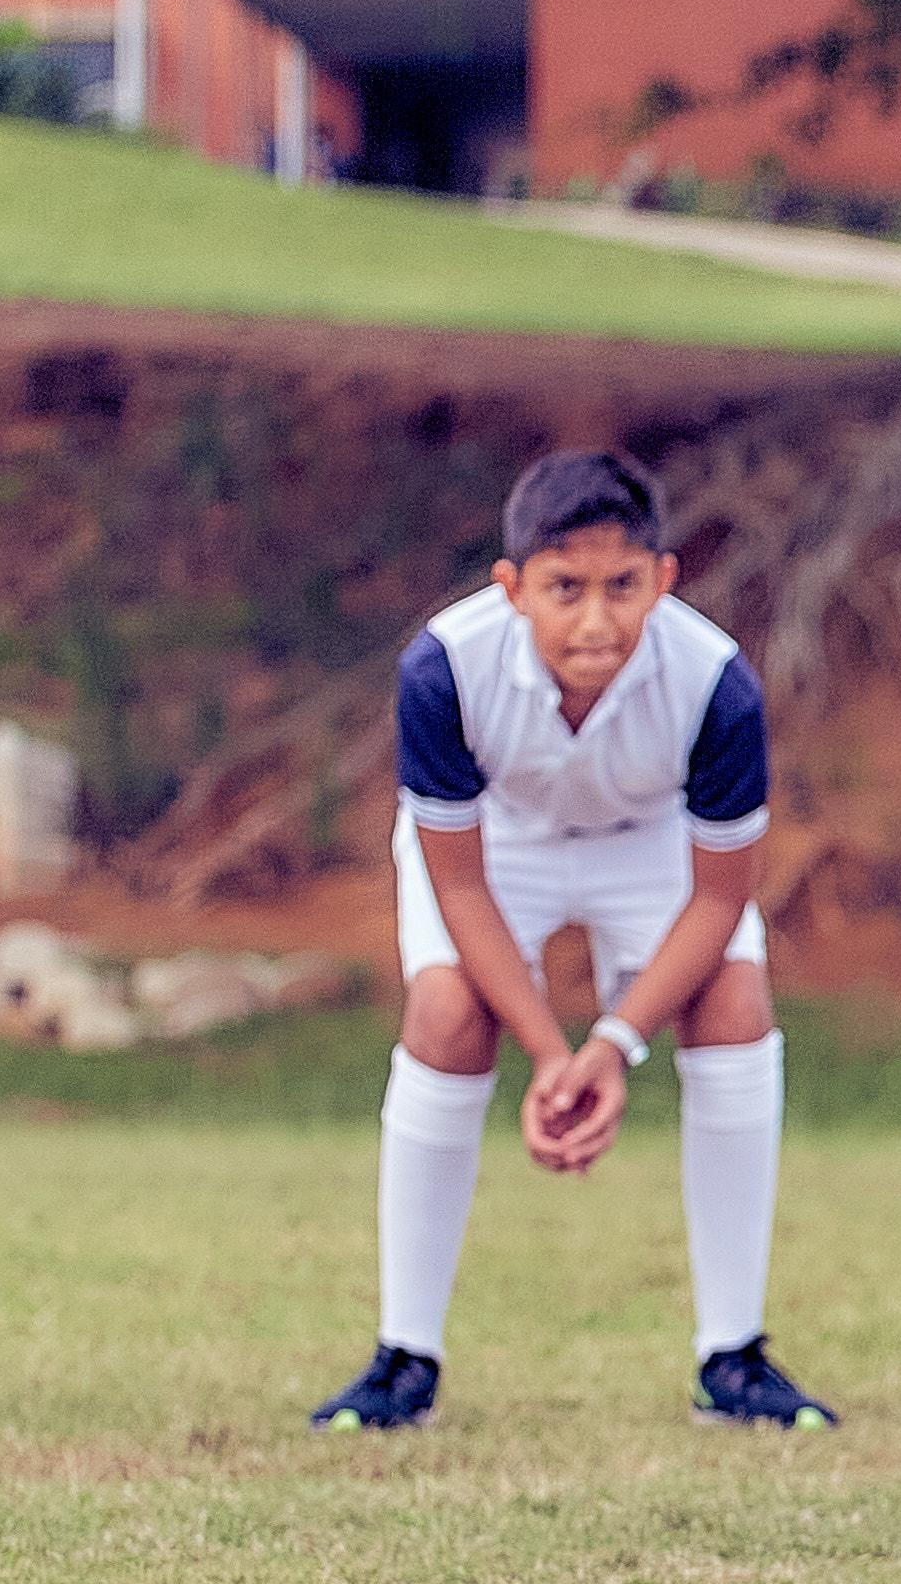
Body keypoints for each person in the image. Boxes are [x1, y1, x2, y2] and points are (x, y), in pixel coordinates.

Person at [310, 446, 830, 1437]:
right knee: (446, 1012)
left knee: (735, 1002)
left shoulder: (718, 685)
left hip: (650, 846)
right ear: (512, 588)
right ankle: (403, 1360)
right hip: (496, 846)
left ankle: (734, 1357)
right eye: (565, 589)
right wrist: (551, 1054)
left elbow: (721, 898)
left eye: (623, 587)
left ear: (664, 581)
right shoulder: (442, 668)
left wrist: (612, 1045)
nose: (597, 620)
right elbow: (455, 879)